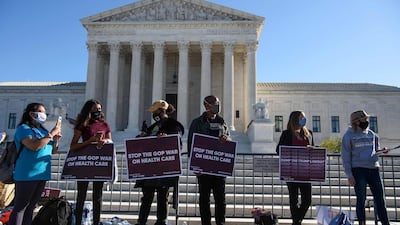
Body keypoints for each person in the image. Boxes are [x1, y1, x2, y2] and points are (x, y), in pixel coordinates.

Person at [8, 102, 62, 225]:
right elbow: (34, 146)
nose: (44, 115)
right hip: (27, 173)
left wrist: (56, 139)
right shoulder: (24, 129)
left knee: (30, 208)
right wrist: (51, 134)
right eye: (41, 112)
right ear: (31, 114)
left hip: (41, 174)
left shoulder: (42, 131)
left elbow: (52, 151)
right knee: (20, 208)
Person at [135, 100, 184, 225]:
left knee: (163, 197)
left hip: (163, 167)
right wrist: (141, 138)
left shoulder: (174, 125)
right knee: (146, 197)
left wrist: (166, 139)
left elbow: (177, 143)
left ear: (162, 111)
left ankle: (161, 222)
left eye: (155, 111)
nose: (153, 114)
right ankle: (141, 222)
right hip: (150, 168)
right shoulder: (152, 127)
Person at [341, 110, 390, 225]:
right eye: (364, 119)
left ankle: (385, 222)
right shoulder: (348, 136)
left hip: (374, 169)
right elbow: (345, 157)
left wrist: (383, 151)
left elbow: (375, 151)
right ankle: (362, 223)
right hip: (358, 170)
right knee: (361, 199)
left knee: (380, 199)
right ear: (357, 122)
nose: (367, 121)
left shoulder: (372, 134)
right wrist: (349, 175)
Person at [188, 95, 230, 225]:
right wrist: (195, 166)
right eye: (214, 103)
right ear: (206, 105)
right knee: (204, 199)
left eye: (218, 103)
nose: (218, 105)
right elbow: (191, 144)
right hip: (204, 167)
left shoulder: (222, 122)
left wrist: (227, 139)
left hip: (219, 168)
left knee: (220, 199)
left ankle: (220, 223)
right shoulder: (197, 122)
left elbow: (229, 139)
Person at [70, 99, 112, 225]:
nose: (98, 111)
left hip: (99, 162)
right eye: (95, 109)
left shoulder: (105, 125)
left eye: (99, 109)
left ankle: (96, 222)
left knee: (98, 196)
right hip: (85, 162)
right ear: (88, 110)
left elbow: (110, 142)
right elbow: (73, 145)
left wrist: (104, 142)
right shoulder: (82, 125)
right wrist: (91, 141)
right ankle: (78, 222)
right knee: (81, 195)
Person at [275, 110, 314, 225]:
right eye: (302, 118)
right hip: (291, 170)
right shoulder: (287, 134)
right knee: (294, 199)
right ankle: (296, 222)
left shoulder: (309, 133)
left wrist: (311, 148)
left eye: (304, 118)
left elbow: (314, 148)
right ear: (295, 119)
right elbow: (279, 150)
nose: (304, 120)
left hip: (306, 171)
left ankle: (296, 221)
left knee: (307, 200)